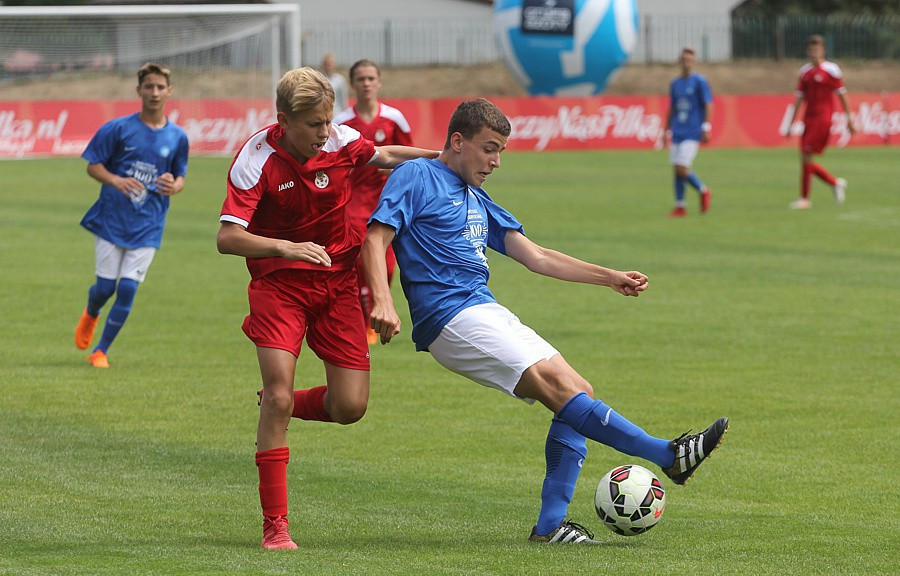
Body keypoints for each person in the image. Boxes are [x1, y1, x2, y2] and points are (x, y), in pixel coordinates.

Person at [361, 98, 729, 544]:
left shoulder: (477, 197)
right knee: (558, 389)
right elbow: (376, 235)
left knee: (579, 393)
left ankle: (550, 526)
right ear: (457, 141)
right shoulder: (415, 176)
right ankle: (668, 455)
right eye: (489, 149)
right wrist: (383, 300)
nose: (496, 162)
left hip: (483, 308)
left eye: (500, 152)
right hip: (449, 316)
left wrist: (608, 276)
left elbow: (536, 256)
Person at [216, 67, 438, 550]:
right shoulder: (256, 158)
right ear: (283, 121)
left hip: (338, 283)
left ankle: (282, 404)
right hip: (281, 287)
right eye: (314, 125)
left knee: (350, 406)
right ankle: (275, 526)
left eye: (327, 121)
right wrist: (285, 248)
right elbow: (227, 237)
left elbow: (386, 157)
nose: (324, 133)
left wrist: (444, 160)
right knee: (278, 394)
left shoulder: (340, 139)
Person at [74, 62, 189, 368]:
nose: (154, 92)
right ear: (138, 90)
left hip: (149, 223)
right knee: (105, 288)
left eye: (160, 87)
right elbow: (92, 165)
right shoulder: (118, 129)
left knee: (127, 288)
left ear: (169, 91)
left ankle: (101, 351)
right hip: (112, 220)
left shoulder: (177, 137)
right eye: (149, 86)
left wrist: (173, 186)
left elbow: (180, 176)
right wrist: (116, 179)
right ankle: (91, 312)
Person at [334, 59, 414, 345]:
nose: (366, 83)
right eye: (361, 79)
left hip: (389, 204)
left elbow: (409, 157)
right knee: (359, 263)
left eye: (371, 78)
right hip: (354, 204)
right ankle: (363, 322)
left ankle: (374, 313)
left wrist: (390, 168)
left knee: (388, 266)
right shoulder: (342, 123)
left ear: (378, 82)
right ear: (353, 84)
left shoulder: (394, 119)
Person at [784, 34, 854, 209]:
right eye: (811, 49)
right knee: (805, 159)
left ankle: (805, 199)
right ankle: (834, 183)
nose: (814, 52)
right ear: (808, 51)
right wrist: (791, 123)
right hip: (808, 119)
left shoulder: (832, 70)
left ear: (823, 50)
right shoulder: (805, 72)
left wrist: (849, 119)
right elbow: (799, 99)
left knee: (807, 158)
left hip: (823, 119)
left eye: (817, 49)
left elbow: (842, 95)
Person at [663, 47, 713, 218]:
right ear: (680, 61)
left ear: (694, 62)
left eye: (690, 60)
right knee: (676, 169)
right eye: (684, 60)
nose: (687, 63)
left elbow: (708, 104)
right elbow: (672, 108)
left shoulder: (700, 82)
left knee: (682, 168)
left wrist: (706, 127)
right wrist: (665, 130)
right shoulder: (675, 83)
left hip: (693, 131)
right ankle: (680, 205)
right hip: (677, 130)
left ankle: (703, 190)